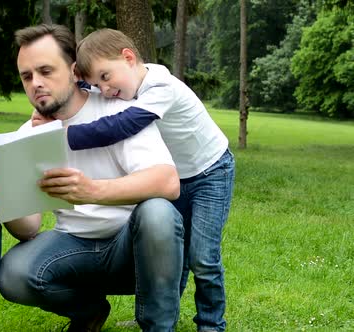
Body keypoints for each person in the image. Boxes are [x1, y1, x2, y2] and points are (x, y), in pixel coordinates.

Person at [0, 24, 185, 332]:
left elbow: (167, 182)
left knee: (158, 213)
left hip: (134, 250)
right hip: (74, 247)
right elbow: (28, 229)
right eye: (27, 76)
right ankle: (89, 312)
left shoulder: (120, 111)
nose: (36, 83)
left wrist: (91, 191)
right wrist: (5, 193)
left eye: (46, 71)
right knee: (14, 273)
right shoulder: (28, 134)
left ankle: (158, 327)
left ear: (75, 71)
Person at [57, 28, 235, 332]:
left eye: (105, 77)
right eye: (96, 82)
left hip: (210, 173)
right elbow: (85, 89)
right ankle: (161, 317)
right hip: (176, 178)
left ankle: (211, 324)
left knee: (203, 259)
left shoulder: (160, 85)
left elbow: (120, 126)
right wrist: (73, 82)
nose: (104, 88)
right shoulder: (123, 85)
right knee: (174, 255)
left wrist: (63, 137)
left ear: (128, 57)